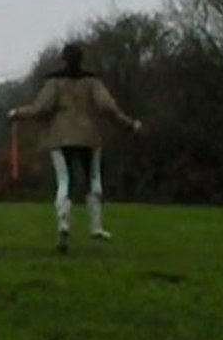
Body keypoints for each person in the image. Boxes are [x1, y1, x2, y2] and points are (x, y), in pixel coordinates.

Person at [8, 42, 141, 253]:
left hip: (60, 138)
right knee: (93, 179)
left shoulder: (54, 82)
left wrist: (17, 113)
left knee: (65, 180)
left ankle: (63, 224)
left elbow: (40, 108)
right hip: (89, 136)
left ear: (63, 59)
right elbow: (107, 106)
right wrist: (129, 123)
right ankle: (96, 226)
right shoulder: (92, 81)